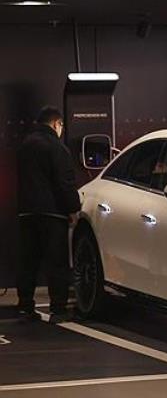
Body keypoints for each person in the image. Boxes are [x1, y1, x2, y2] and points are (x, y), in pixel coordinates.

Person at [17, 106, 81, 324]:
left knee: (28, 262)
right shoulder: (56, 147)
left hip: (26, 212)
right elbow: (65, 182)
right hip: (52, 214)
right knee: (56, 263)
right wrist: (73, 208)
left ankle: (25, 306)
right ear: (56, 124)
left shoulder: (24, 145)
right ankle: (58, 309)